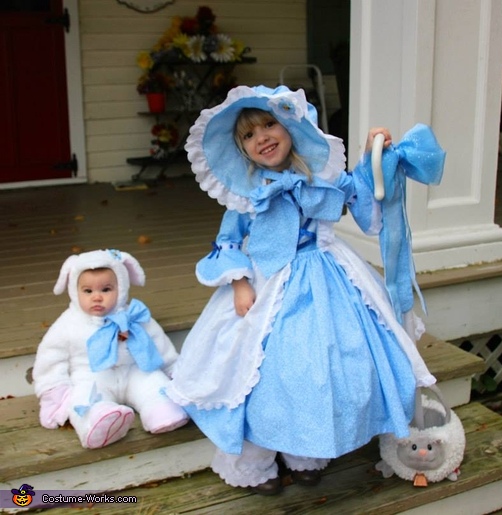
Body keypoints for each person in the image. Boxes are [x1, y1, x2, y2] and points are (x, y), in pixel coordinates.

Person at [166, 85, 446, 495]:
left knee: (322, 368)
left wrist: (374, 155)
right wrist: (240, 283)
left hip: (327, 280)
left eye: (268, 124)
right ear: (241, 150)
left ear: (292, 127)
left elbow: (365, 201)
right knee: (264, 375)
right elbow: (226, 244)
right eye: (247, 135)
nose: (260, 137)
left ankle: (305, 451)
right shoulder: (247, 198)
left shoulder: (320, 179)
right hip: (268, 287)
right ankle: (255, 461)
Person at [32, 249, 189, 449]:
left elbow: (159, 344)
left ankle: (161, 410)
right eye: (88, 291)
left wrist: (173, 369)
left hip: (135, 371)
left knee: (155, 383)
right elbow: (50, 357)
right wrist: (53, 388)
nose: (97, 297)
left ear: (121, 287)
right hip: (93, 376)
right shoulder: (68, 324)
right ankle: (100, 420)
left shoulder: (134, 316)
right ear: (74, 290)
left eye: (106, 290)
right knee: (84, 397)